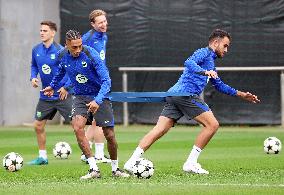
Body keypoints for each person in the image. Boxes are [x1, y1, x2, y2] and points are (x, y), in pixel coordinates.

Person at [124, 29, 260, 174]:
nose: (226, 50)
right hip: (185, 95)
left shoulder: (211, 64)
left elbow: (220, 85)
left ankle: (131, 161)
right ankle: (191, 163)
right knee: (212, 125)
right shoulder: (204, 52)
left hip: (174, 95)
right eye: (225, 45)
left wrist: (242, 95)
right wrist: (204, 72)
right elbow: (189, 62)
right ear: (215, 42)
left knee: (160, 129)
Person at [43, 29, 129, 179]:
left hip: (99, 95)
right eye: (74, 47)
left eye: (80, 46)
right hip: (80, 96)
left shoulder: (91, 54)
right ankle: (93, 169)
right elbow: (61, 72)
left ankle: (116, 169)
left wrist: (98, 100)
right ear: (66, 45)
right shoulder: (62, 55)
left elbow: (106, 81)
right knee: (77, 127)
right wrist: (53, 85)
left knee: (109, 134)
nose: (78, 50)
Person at [28, 21, 72, 165]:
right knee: (38, 125)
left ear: (53, 33)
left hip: (61, 94)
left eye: (45, 30)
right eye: (41, 30)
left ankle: (86, 154)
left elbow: (70, 71)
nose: (42, 33)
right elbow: (34, 65)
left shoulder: (61, 51)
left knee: (77, 125)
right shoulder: (36, 50)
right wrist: (33, 77)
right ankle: (42, 157)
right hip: (45, 96)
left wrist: (66, 87)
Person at [80, 9, 111, 164]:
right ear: (93, 24)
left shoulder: (103, 37)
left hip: (100, 83)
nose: (104, 25)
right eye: (100, 23)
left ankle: (93, 153)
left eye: (105, 21)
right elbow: (75, 55)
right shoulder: (87, 38)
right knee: (98, 119)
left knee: (96, 121)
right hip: (91, 84)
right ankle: (92, 154)